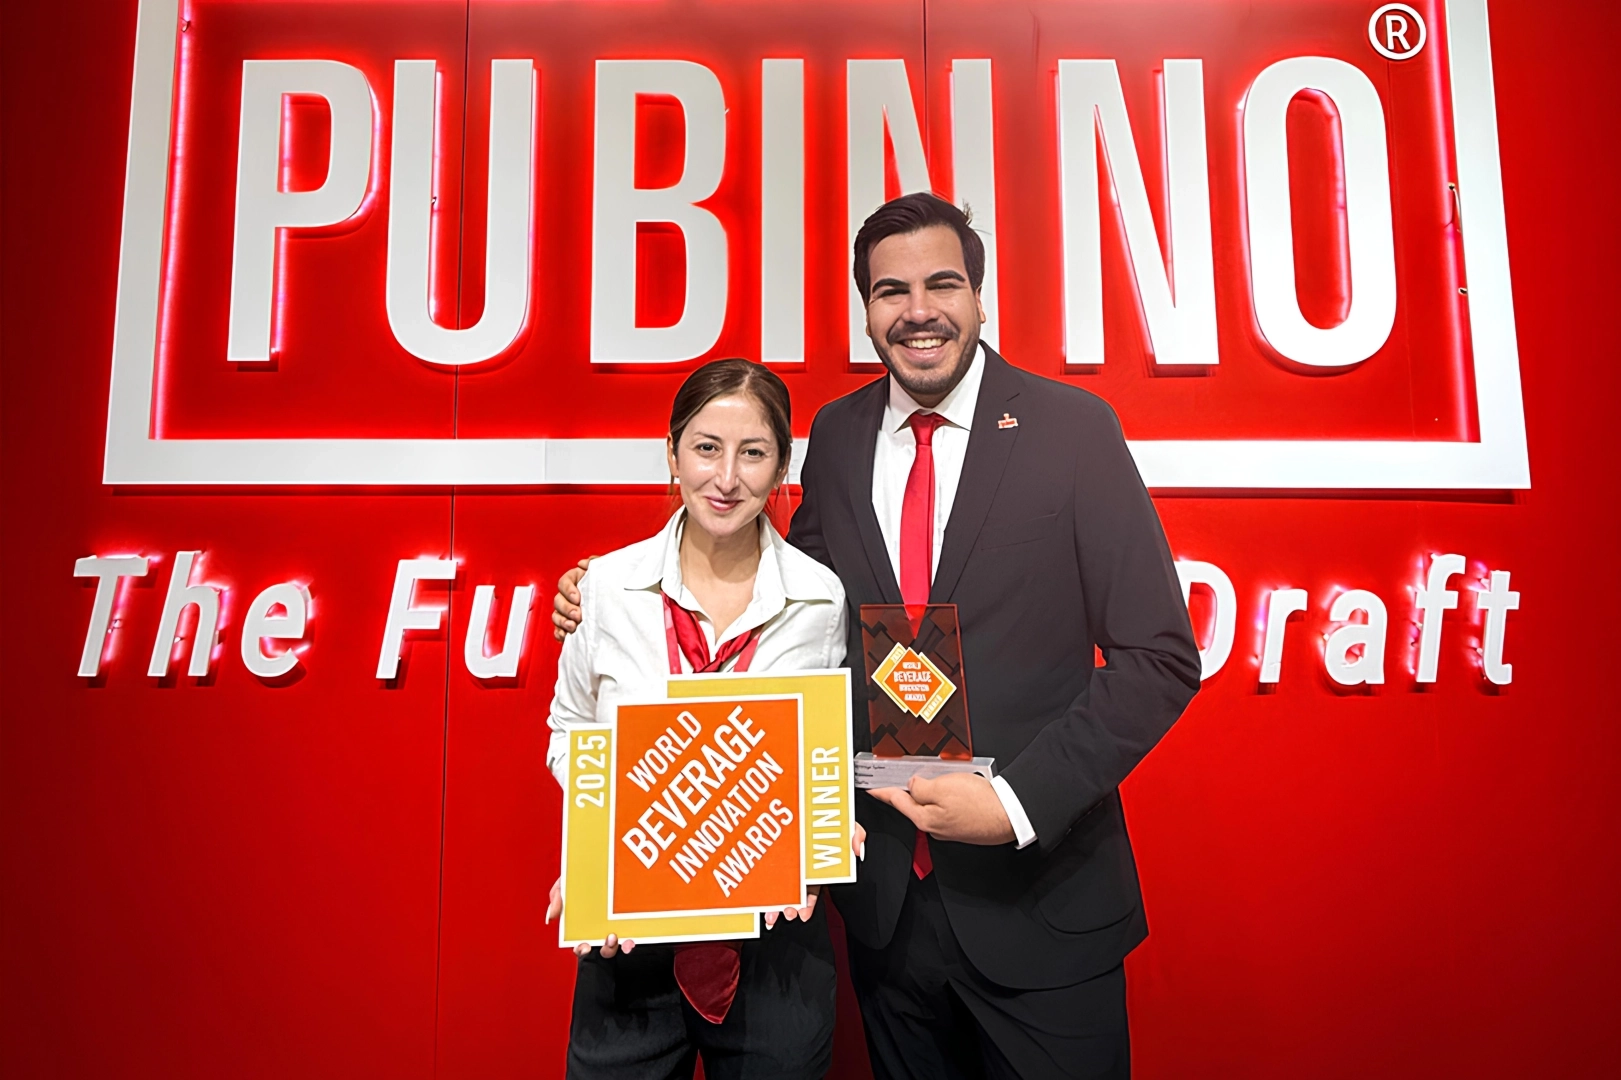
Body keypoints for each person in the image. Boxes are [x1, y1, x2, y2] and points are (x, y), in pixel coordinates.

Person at [557, 193, 1200, 1079]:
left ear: (980, 297)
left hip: (1042, 903)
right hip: (887, 909)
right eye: (890, 290)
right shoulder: (839, 433)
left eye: (943, 284)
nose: (917, 310)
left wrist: (1014, 804)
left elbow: (1158, 657)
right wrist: (609, 589)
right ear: (866, 309)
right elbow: (791, 606)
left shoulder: (1071, 430)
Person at [542, 358, 864, 1080]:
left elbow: (823, 751)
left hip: (774, 944)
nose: (726, 478)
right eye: (706, 448)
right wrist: (603, 840)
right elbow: (570, 730)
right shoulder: (607, 589)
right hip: (627, 936)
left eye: (753, 453)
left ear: (781, 466)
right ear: (672, 453)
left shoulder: (819, 598)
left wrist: (823, 824)